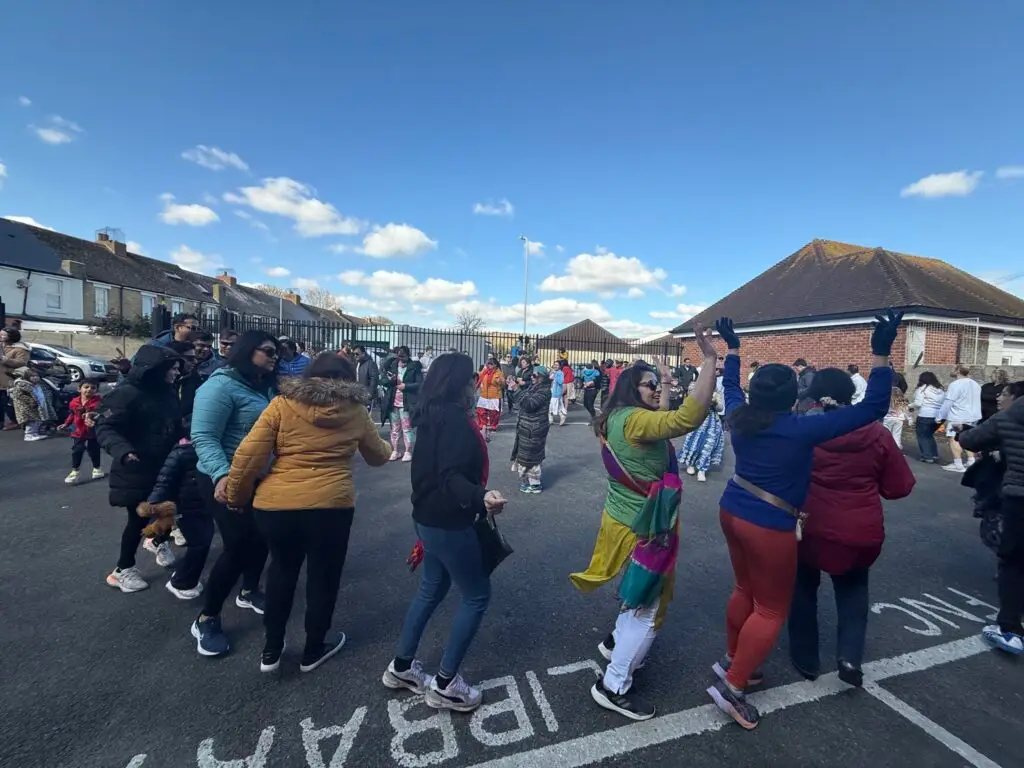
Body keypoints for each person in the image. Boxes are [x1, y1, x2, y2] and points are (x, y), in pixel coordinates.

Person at [706, 311, 900, 729]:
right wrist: (881, 355)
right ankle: (734, 686)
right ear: (793, 395)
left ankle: (733, 660)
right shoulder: (801, 428)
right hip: (769, 520)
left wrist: (733, 349)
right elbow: (873, 407)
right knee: (771, 609)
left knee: (743, 588)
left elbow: (730, 387)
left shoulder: (739, 415)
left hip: (733, 506)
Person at [571, 342, 718, 721]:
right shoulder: (634, 421)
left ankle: (616, 642)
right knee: (650, 607)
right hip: (645, 528)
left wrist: (665, 384)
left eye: (656, 384)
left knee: (636, 591)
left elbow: (661, 421)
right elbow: (685, 419)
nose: (654, 389)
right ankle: (614, 685)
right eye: (648, 384)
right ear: (630, 388)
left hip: (623, 519)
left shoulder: (617, 417)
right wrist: (710, 361)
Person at [226, 353, 392, 673]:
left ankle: (272, 649)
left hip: (276, 505)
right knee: (324, 577)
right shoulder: (355, 411)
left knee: (281, 571)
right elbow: (378, 457)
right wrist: (380, 446)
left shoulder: (281, 404)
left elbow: (248, 456)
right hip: (331, 505)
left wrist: (236, 496)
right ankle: (314, 648)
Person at [383, 353, 508, 712]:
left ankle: (402, 666)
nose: (475, 384)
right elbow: (451, 476)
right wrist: (482, 496)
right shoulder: (454, 421)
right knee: (477, 595)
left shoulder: (430, 414)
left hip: (427, 517)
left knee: (432, 588)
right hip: (448, 522)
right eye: (471, 378)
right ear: (458, 383)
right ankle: (446, 684)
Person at [787, 368, 916, 687]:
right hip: (860, 527)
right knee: (853, 590)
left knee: (802, 588)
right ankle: (849, 657)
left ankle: (805, 659)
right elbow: (899, 486)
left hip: (809, 523)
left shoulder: (803, 429)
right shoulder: (876, 433)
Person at [188, 330, 279, 656]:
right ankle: (207, 617)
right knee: (238, 546)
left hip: (259, 478)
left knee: (262, 537)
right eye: (267, 351)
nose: (274, 357)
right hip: (223, 478)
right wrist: (223, 475)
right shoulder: (219, 386)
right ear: (247, 351)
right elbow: (203, 436)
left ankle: (249, 590)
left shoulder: (265, 386)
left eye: (276, 353)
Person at [95, 345, 184, 592]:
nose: (177, 373)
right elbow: (105, 427)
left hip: (166, 465)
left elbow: (175, 424)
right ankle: (122, 570)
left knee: (170, 510)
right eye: (173, 368)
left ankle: (157, 541)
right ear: (156, 369)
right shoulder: (125, 394)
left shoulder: (168, 392)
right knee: (138, 519)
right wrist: (124, 451)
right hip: (135, 469)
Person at [956, 383, 1024, 655]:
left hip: (1019, 496)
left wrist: (962, 433)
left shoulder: (1012, 415)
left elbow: (971, 440)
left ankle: (1010, 630)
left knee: (1013, 560)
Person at [144, 433, 212, 600]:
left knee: (203, 541)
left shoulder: (206, 448)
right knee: (199, 544)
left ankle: (184, 576)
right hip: (185, 507)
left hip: (203, 504)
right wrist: (154, 505)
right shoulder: (182, 452)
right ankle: (181, 581)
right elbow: (163, 481)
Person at [510, 365, 552, 493]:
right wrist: (512, 389)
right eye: (532, 375)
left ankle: (535, 484)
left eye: (535, 375)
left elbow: (530, 404)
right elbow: (520, 401)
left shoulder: (544, 390)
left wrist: (517, 389)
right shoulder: (533, 387)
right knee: (525, 455)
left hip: (535, 428)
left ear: (542, 377)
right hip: (527, 427)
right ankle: (527, 481)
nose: (532, 377)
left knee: (531, 456)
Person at [383, 346, 424, 462]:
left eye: (403, 356)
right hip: (393, 402)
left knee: (407, 428)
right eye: (399, 356)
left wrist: (406, 386)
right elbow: (383, 381)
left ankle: (407, 451)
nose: (401, 359)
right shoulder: (392, 365)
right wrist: (390, 380)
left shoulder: (414, 367)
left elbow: (420, 383)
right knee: (395, 428)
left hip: (407, 403)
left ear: (408, 355)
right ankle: (395, 450)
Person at [939, 366, 982, 473]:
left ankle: (958, 464)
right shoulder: (975, 384)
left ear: (958, 371)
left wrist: (940, 416)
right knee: (967, 437)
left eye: (953, 369)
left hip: (958, 415)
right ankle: (971, 460)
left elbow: (948, 401)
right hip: (974, 415)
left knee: (954, 438)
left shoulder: (955, 384)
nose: (951, 370)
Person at [62, 380, 104, 483]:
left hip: (93, 431)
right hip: (79, 431)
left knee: (93, 450)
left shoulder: (99, 402)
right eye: (86, 387)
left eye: (93, 388)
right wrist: (66, 424)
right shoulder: (74, 402)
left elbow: (104, 413)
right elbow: (72, 414)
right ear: (79, 389)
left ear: (96, 390)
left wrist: (94, 415)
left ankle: (97, 468)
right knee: (77, 450)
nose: (89, 389)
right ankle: (75, 471)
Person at [680, 387, 725, 482]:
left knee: (708, 446)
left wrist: (715, 403)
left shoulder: (717, 394)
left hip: (712, 423)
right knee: (694, 444)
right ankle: (691, 464)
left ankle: (702, 470)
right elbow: (690, 403)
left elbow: (720, 409)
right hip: (698, 420)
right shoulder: (697, 390)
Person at [10, 367, 57, 441]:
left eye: (36, 376)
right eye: (32, 376)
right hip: (27, 408)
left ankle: (34, 433)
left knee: (38, 420)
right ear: (27, 377)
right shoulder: (22, 385)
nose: (35, 378)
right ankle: (29, 435)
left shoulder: (39, 385)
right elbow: (18, 395)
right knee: (32, 421)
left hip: (38, 406)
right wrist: (30, 401)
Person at [909, 372, 945, 463]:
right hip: (939, 415)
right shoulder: (940, 389)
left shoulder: (922, 389)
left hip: (925, 415)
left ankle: (927, 456)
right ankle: (934, 454)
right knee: (929, 435)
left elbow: (918, 403)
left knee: (922, 436)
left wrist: (910, 406)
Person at [1, 326, 31, 429]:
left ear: (11, 336)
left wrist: (4, 359)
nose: (0, 336)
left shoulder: (20, 349)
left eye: (3, 335)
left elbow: (21, 363)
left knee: (8, 402)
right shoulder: (1, 346)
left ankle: (15, 421)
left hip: (9, 378)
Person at [475, 357, 505, 441]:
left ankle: (493, 426)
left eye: (490, 364)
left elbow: (503, 383)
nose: (489, 365)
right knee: (480, 411)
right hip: (484, 395)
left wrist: (498, 381)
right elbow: (479, 379)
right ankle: (482, 425)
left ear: (495, 365)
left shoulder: (499, 372)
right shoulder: (484, 372)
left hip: (494, 396)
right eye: (488, 364)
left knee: (494, 413)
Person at [882, 382, 910, 449]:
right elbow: (906, 410)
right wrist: (908, 418)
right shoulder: (902, 401)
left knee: (886, 435)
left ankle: (886, 448)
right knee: (897, 435)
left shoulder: (887, 400)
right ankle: (897, 448)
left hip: (888, 418)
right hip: (899, 419)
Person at [353, 346, 380, 412]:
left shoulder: (370, 364)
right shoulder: (356, 364)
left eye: (357, 354)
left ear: (363, 354)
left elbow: (374, 380)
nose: (355, 356)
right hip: (356, 396)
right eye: (354, 354)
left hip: (366, 397)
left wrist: (369, 395)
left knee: (365, 416)